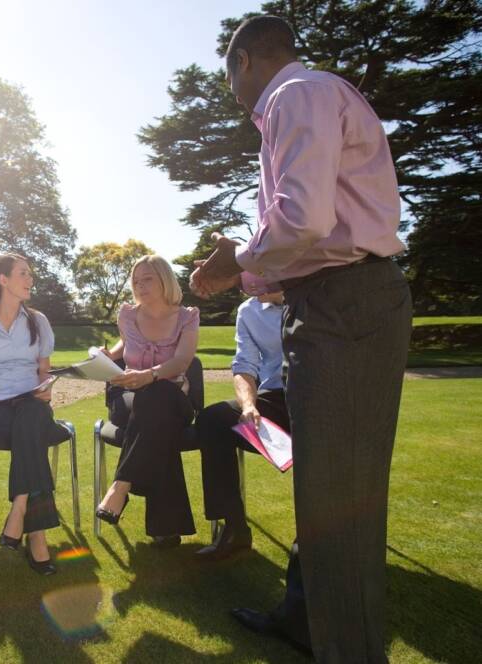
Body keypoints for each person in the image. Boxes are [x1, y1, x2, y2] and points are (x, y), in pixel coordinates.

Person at [189, 15, 412, 663]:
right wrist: (252, 269)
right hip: (335, 302)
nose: (232, 91)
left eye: (230, 74)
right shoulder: (315, 96)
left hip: (343, 308)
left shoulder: (294, 96)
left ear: (247, 60)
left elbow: (305, 218)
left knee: (338, 513)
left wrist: (237, 262)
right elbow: (311, 236)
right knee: (330, 501)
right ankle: (304, 622)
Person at [0, 253, 63, 575]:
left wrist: (46, 389)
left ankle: (19, 509)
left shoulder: (38, 321)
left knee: (31, 416)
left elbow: (44, 372)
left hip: (31, 402)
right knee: (30, 429)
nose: (30, 279)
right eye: (23, 274)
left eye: (30, 274)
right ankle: (36, 536)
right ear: (3, 280)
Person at [95, 255, 200, 546]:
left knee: (157, 397)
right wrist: (106, 357)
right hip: (127, 397)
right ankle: (166, 527)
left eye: (147, 279)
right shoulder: (127, 314)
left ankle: (121, 485)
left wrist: (150, 376)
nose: (140, 286)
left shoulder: (187, 316)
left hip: (173, 398)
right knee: (155, 418)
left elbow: (181, 362)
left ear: (164, 279)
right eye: (136, 280)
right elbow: (121, 347)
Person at [195, 291, 287, 560]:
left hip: (320, 397)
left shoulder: (313, 295)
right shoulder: (249, 311)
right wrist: (248, 405)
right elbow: (244, 365)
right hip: (275, 397)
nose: (249, 287)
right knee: (213, 420)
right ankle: (234, 528)